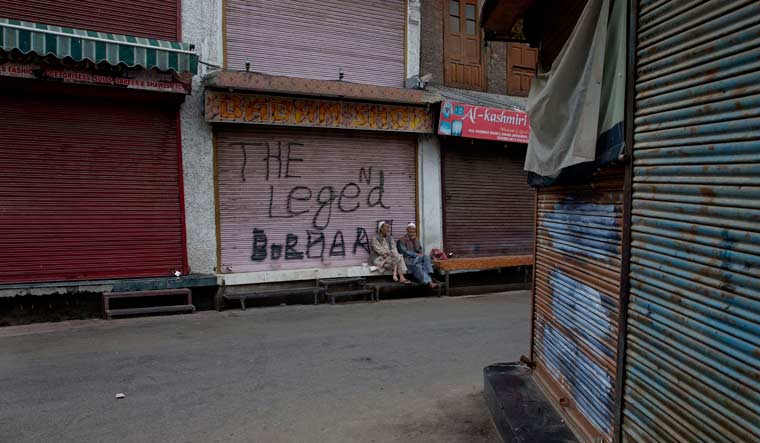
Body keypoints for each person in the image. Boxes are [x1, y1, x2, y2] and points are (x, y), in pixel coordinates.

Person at [397, 222, 438, 289]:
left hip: (417, 259)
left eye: (413, 229)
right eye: (410, 229)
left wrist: (415, 241)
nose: (412, 231)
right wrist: (417, 255)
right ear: (407, 230)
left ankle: (430, 276)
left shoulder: (416, 239)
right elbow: (405, 252)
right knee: (419, 265)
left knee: (425, 258)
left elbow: (419, 250)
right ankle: (430, 280)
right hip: (408, 260)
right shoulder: (401, 240)